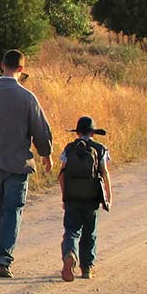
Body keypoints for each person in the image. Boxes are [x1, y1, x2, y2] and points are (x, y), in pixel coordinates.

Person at [0, 49, 53, 278]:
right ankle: (4, 257)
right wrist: (46, 154)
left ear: (1, 65)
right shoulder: (27, 97)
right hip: (18, 162)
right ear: (21, 69)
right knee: (13, 208)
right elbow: (40, 130)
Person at [59, 116, 113, 282]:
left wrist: (64, 195)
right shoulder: (100, 149)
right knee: (89, 232)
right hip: (92, 198)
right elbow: (104, 172)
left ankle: (70, 253)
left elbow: (62, 174)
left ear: (77, 132)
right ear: (93, 133)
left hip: (72, 198)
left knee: (72, 230)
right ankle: (87, 268)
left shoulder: (69, 148)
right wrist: (108, 196)